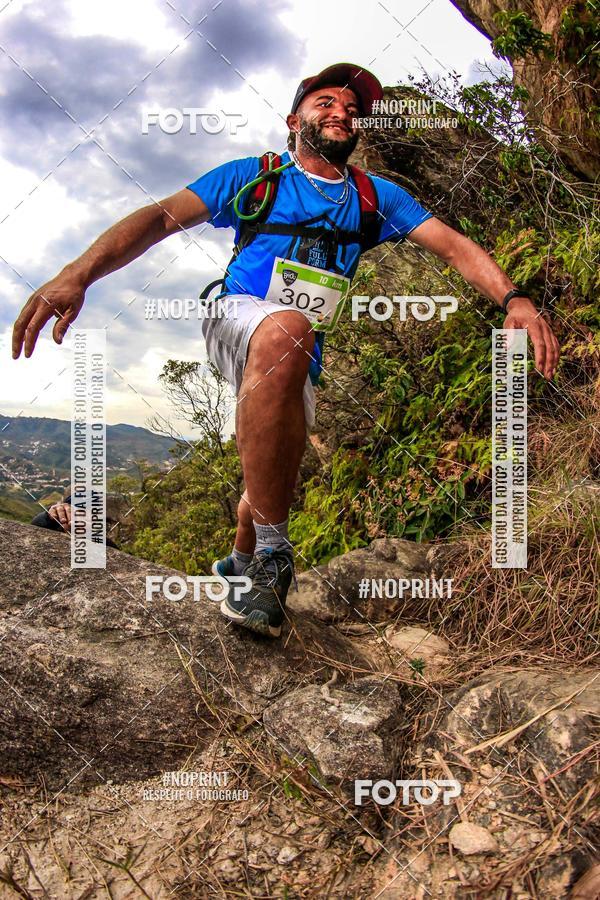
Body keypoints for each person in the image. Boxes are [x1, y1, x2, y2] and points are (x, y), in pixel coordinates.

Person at [12, 62, 560, 639]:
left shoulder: (376, 197)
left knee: (272, 472)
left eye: (352, 109)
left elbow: (454, 248)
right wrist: (79, 274)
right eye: (325, 102)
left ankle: (241, 557)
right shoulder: (255, 177)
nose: (341, 112)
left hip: (296, 347)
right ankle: (274, 560)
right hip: (238, 316)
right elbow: (157, 219)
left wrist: (514, 300)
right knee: (287, 331)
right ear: (293, 119)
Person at [30, 485, 120, 548]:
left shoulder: (106, 544)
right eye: (80, 510)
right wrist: (49, 516)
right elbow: (35, 527)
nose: (87, 517)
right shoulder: (51, 529)